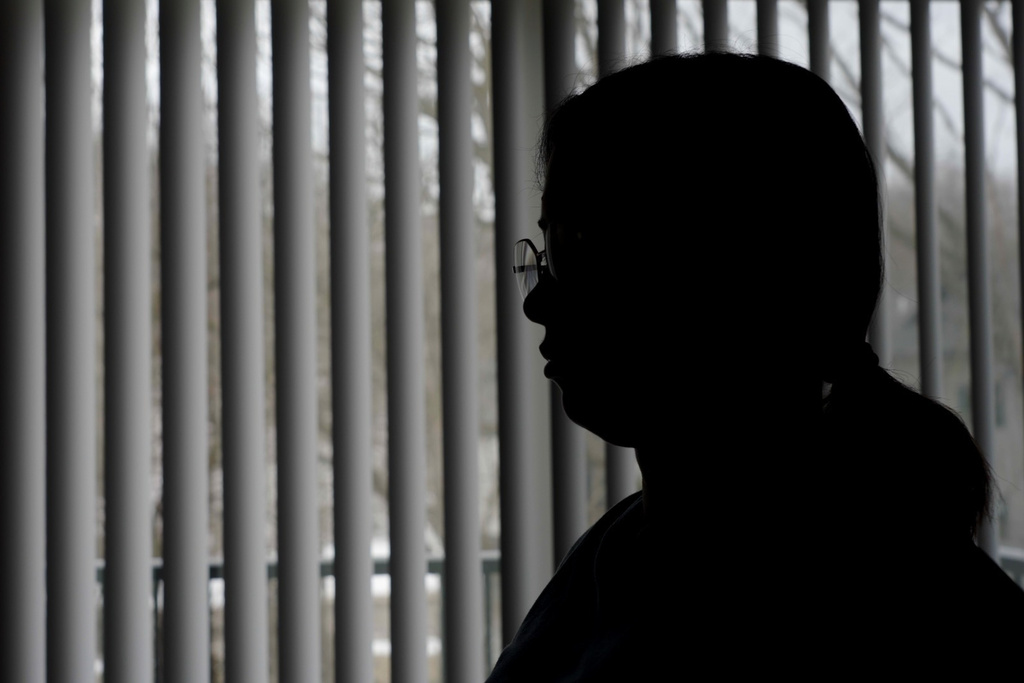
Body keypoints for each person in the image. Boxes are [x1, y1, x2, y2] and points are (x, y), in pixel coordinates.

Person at [486, 52, 1024, 679]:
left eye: (577, 244)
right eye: (548, 247)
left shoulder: (913, 617)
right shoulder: (612, 556)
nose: (536, 302)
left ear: (733, 267)